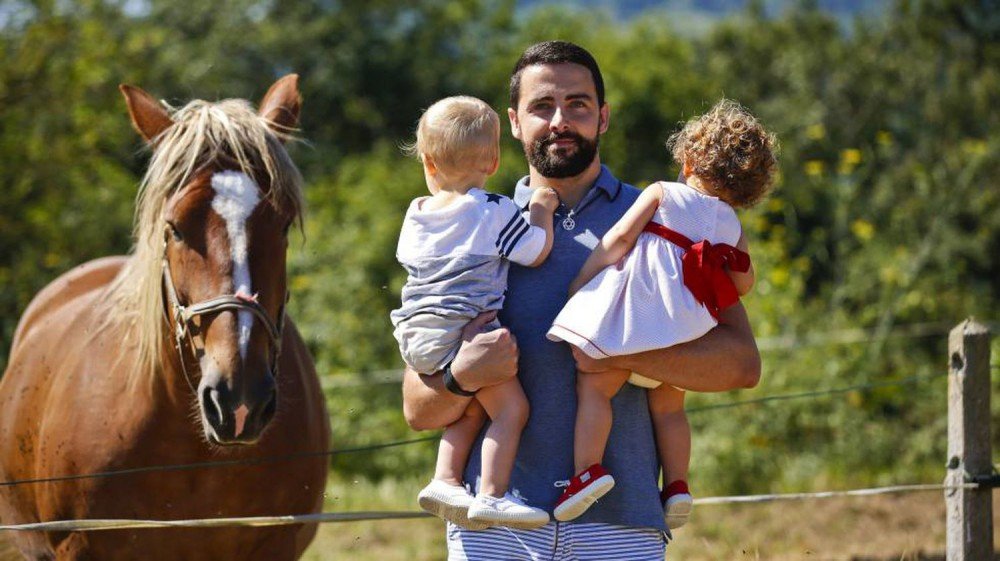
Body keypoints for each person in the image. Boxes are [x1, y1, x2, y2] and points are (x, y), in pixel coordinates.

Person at [402, 41, 761, 561]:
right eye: (542, 106)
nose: (560, 121)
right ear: (514, 123)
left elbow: (742, 365)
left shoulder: (669, 217)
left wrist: (618, 351)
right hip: (494, 529)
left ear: (603, 117)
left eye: (578, 104)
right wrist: (463, 375)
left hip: (621, 528)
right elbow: (418, 408)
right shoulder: (474, 224)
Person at [546, 99, 777, 527]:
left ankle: (588, 472)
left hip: (637, 317)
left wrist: (582, 281)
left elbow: (618, 239)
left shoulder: (663, 193)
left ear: (688, 160)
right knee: (670, 410)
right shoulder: (731, 224)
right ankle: (677, 485)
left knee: (595, 388)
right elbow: (743, 283)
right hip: (683, 330)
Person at [391, 96, 560, 529]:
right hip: (467, 332)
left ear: (429, 163)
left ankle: (445, 479)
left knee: (472, 407)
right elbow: (535, 251)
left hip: (417, 334)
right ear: (494, 161)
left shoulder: (415, 213)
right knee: (511, 411)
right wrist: (541, 210)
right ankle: (492, 495)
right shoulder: (492, 210)